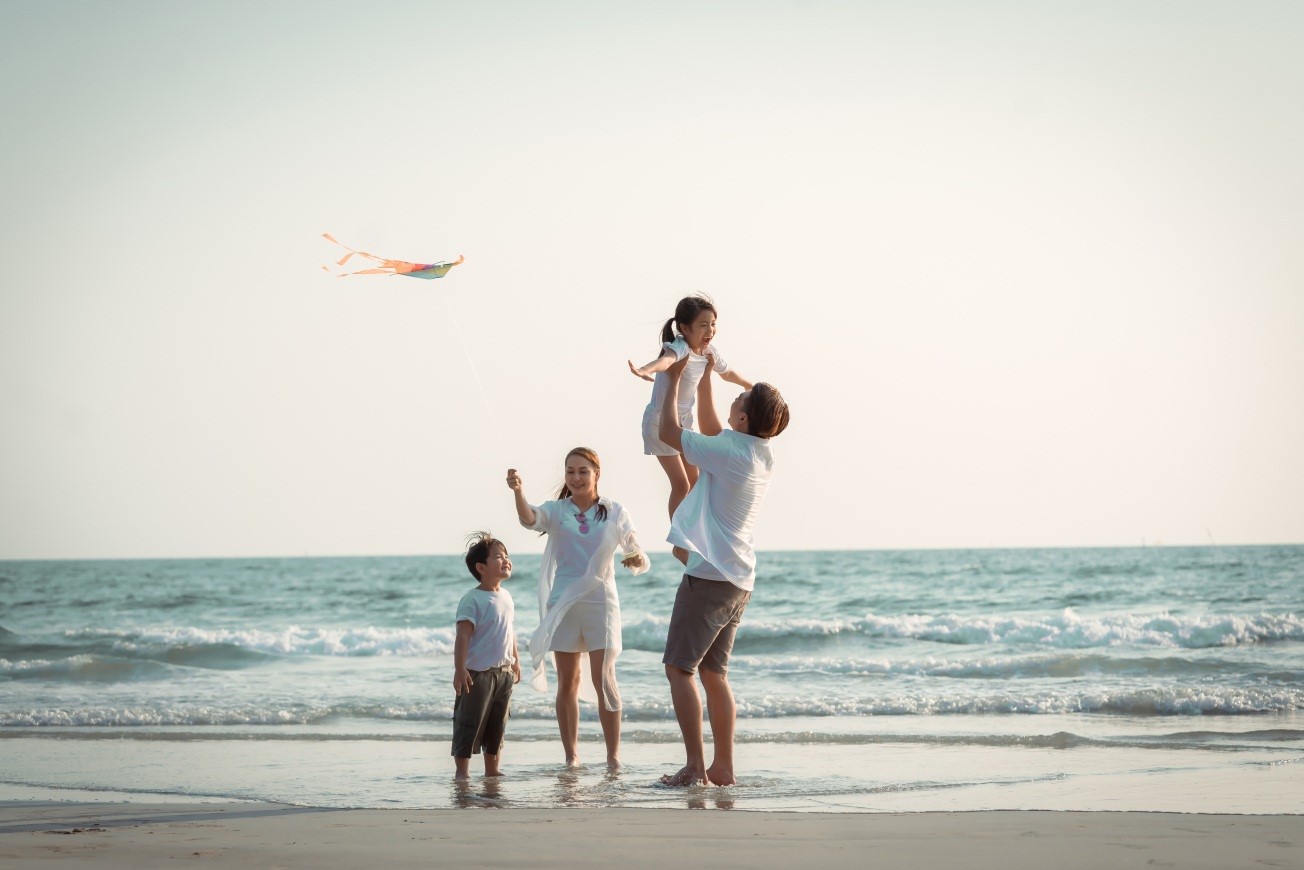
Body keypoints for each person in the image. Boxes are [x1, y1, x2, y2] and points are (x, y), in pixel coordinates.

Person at [656, 352, 790, 787]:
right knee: (715, 674)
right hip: (739, 578)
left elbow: (669, 432)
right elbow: (716, 428)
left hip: (711, 578)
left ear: (746, 416)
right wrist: (710, 377)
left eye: (742, 396)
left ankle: (696, 768)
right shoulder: (761, 451)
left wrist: (676, 377)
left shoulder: (732, 452)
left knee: (680, 669)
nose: (738, 393)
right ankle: (724, 768)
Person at [507, 448, 649, 769]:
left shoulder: (614, 510)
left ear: (596, 473)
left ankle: (613, 758)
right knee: (568, 681)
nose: (576, 477)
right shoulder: (558, 510)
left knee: (605, 679)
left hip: (602, 601)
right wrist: (518, 491)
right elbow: (529, 518)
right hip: (565, 602)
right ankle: (572, 757)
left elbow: (632, 544)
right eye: (570, 471)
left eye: (583, 471)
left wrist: (636, 556)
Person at [628, 295, 753, 518]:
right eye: (703, 325)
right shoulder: (680, 347)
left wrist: (747, 384)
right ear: (684, 328)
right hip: (660, 423)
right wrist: (646, 370)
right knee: (681, 485)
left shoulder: (709, 352)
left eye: (713, 324)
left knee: (695, 481)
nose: (710, 330)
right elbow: (665, 361)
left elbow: (727, 372)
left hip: (683, 421)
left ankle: (693, 529)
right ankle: (679, 539)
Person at [451, 532, 521, 780]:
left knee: (497, 723)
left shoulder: (506, 596)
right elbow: (463, 636)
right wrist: (460, 669)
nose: (506, 560)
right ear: (481, 567)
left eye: (507, 556)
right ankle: (462, 772)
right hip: (477, 674)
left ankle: (492, 769)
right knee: (468, 723)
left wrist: (515, 660)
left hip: (503, 673)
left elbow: (509, 631)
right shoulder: (473, 599)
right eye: (498, 557)